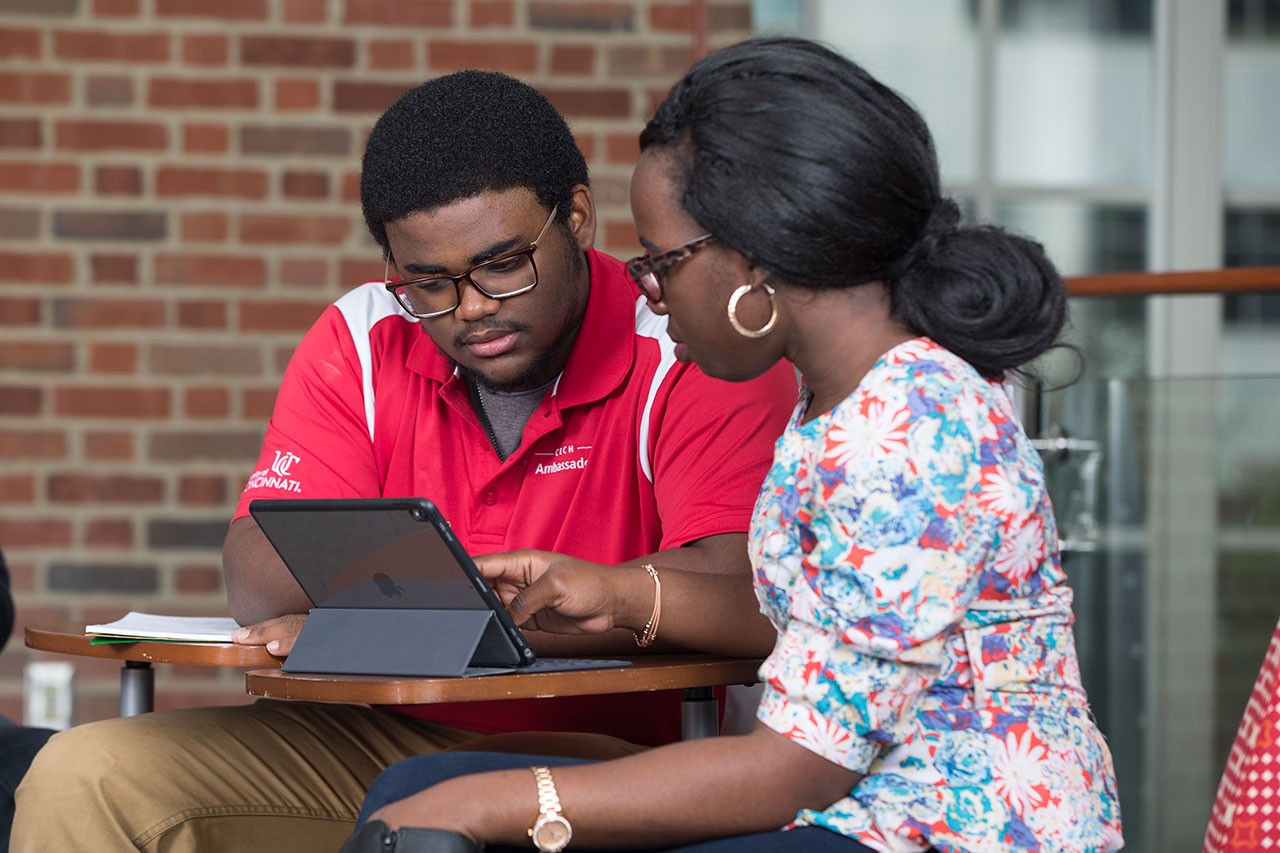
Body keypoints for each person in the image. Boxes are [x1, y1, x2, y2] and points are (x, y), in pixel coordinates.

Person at [341, 37, 1126, 853]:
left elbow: (799, 770)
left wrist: (504, 803)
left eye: (663, 262)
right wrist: (612, 594)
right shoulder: (838, 398)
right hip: (855, 809)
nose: (646, 289)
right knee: (417, 789)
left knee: (458, 812)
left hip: (954, 830)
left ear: (756, 262)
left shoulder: (908, 429)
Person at [11, 71, 798, 852]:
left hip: (603, 748)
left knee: (420, 803)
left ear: (580, 218)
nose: (473, 307)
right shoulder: (366, 333)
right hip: (367, 731)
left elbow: (730, 584)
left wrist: (414, 615)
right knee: (82, 772)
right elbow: (257, 575)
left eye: (501, 264)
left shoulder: (686, 342)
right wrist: (457, 612)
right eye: (429, 282)